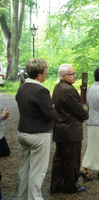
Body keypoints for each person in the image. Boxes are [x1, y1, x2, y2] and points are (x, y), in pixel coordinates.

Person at [15, 58, 57, 199]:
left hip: (23, 132)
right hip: (38, 134)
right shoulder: (41, 90)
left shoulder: (22, 88)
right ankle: (35, 197)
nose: (46, 76)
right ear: (39, 75)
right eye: (45, 73)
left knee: (25, 168)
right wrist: (53, 109)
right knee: (37, 170)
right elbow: (50, 115)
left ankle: (21, 196)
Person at [50, 64, 89, 194]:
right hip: (71, 130)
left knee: (59, 158)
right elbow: (78, 109)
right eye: (71, 74)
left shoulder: (57, 87)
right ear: (63, 76)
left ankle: (56, 184)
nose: (75, 76)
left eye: (74, 73)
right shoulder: (69, 90)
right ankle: (70, 186)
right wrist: (85, 115)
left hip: (60, 128)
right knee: (72, 159)